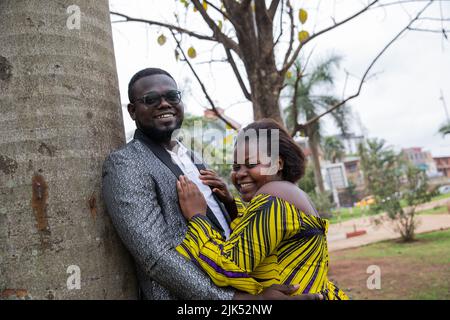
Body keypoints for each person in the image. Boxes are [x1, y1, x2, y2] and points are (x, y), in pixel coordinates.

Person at [102, 68, 321, 300]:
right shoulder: (126, 162)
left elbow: (242, 234)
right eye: (151, 99)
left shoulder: (194, 158)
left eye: (172, 96)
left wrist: (230, 206)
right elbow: (156, 257)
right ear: (133, 111)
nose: (164, 104)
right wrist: (237, 300)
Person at [176, 119, 349, 300]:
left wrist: (197, 217)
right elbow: (261, 238)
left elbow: (229, 266)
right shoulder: (288, 193)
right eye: (236, 167)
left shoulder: (272, 195)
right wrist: (230, 205)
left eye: (251, 165)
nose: (240, 174)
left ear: (278, 164)